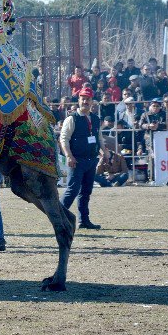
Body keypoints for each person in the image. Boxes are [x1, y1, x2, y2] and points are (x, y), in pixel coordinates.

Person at [59, 87, 107, 229]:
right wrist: (69, 155)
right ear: (79, 100)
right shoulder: (72, 118)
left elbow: (99, 137)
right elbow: (64, 139)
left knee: (86, 191)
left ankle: (83, 220)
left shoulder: (96, 119)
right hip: (77, 160)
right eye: (83, 98)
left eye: (88, 99)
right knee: (72, 190)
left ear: (92, 101)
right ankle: (57, 217)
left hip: (91, 160)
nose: (85, 101)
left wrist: (105, 152)